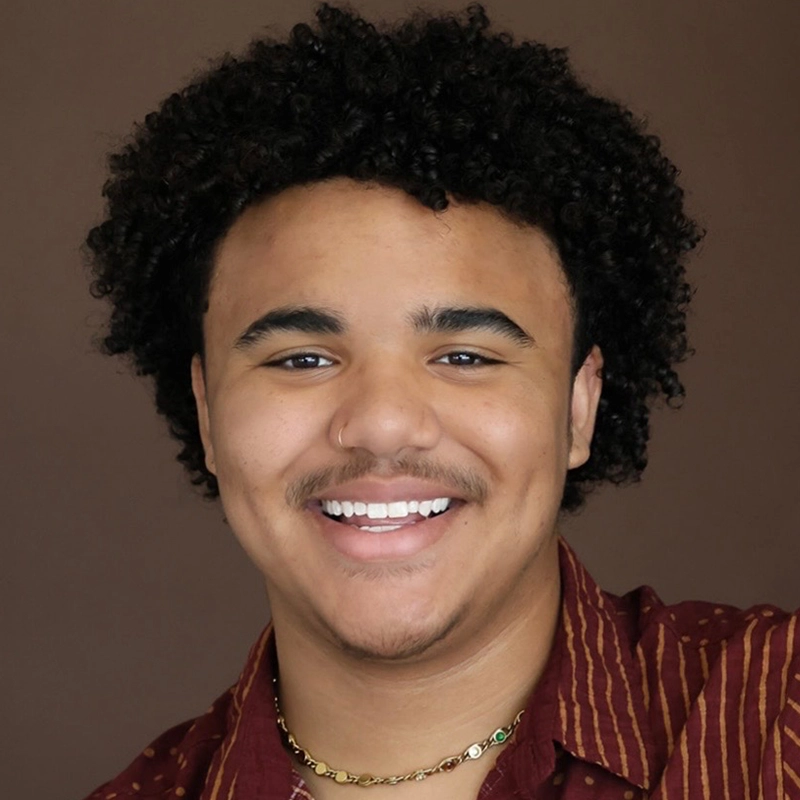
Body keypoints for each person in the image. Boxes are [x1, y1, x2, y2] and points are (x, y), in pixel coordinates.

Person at [81, 4, 799, 799]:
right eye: (304, 357)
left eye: (464, 355)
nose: (383, 423)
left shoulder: (773, 721)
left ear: (579, 407)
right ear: (208, 415)